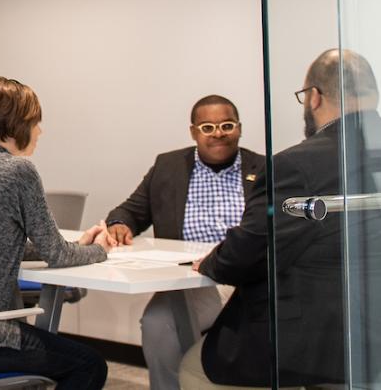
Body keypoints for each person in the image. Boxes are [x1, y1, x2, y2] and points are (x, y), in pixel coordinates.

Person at [182, 50, 381, 388]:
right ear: (373, 93)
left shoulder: (295, 165)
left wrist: (213, 261)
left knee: (195, 370)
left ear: (314, 97)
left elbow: (248, 255)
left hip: (333, 341)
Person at [0, 77, 115, 390]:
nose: (40, 132)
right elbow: (58, 256)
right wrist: (100, 248)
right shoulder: (18, 171)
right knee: (88, 365)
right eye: (36, 122)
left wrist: (78, 243)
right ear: (20, 124)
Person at [100, 95, 264, 390]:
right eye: (208, 127)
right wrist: (119, 223)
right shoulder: (169, 166)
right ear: (193, 132)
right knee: (156, 324)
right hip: (187, 280)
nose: (218, 133)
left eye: (227, 125)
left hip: (244, 281)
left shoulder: (263, 169)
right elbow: (130, 210)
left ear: (239, 128)